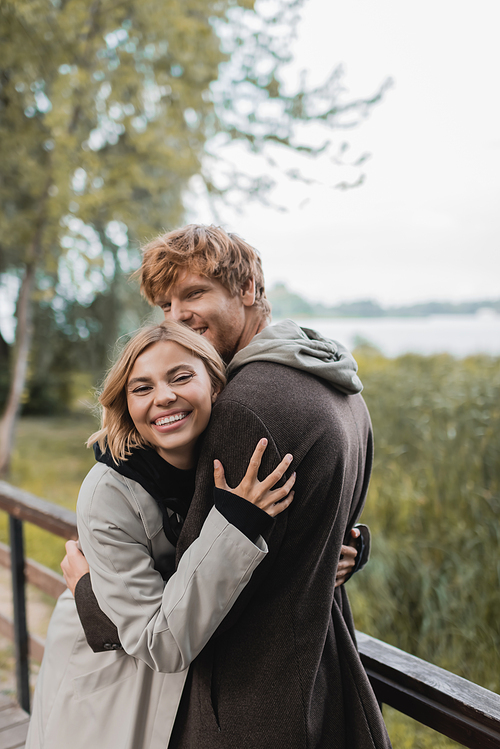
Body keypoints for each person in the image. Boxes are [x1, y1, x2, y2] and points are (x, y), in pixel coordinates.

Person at [66, 224, 389, 748]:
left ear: (249, 290)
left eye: (194, 293)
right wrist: (344, 545)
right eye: (166, 305)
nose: (178, 317)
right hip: (319, 675)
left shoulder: (243, 409)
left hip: (250, 700)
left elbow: (197, 592)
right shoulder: (338, 384)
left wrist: (87, 588)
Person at [26, 321, 296, 749]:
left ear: (217, 384)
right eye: (141, 388)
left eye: (181, 377)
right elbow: (162, 643)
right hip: (106, 678)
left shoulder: (223, 463)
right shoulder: (108, 493)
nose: (163, 397)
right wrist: (237, 525)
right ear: (125, 403)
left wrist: (349, 540)